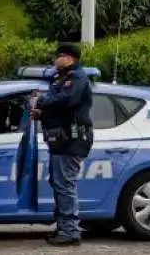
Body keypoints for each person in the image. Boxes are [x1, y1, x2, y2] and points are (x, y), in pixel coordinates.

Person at [29, 42, 93, 246]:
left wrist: (41, 101)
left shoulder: (76, 78)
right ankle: (63, 227)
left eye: (60, 56)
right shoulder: (63, 78)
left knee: (65, 185)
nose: (56, 59)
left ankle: (70, 232)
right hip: (61, 141)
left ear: (70, 58)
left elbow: (66, 100)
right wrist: (41, 113)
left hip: (72, 141)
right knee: (58, 184)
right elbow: (60, 108)